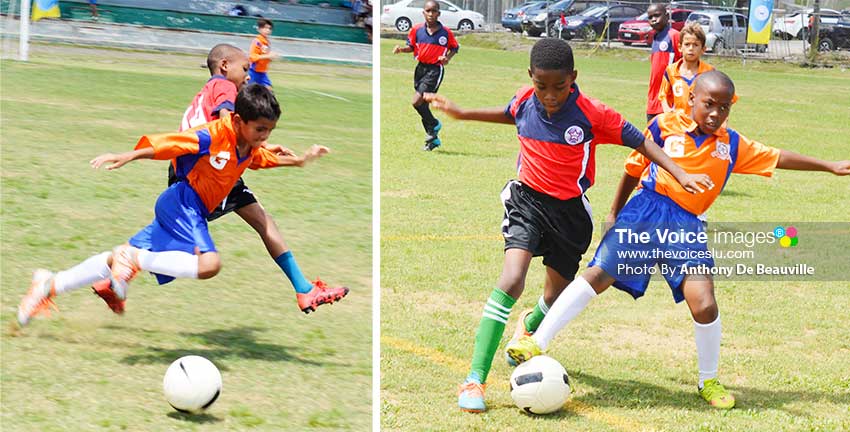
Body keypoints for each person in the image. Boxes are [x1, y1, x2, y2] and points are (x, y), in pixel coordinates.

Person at [505, 70, 850, 410]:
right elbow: (633, 168)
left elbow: (777, 156)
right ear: (692, 99)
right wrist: (614, 213)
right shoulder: (664, 126)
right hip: (646, 210)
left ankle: (708, 380)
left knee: (704, 303)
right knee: (597, 276)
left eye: (724, 107)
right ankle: (538, 341)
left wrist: (829, 165)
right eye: (709, 104)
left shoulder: (731, 144)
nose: (715, 113)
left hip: (686, 227)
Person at [424, 38, 713, 413]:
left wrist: (679, 172)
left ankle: (529, 326)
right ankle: (474, 379)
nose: (549, 96)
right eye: (541, 85)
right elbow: (510, 113)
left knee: (554, 295)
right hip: (527, 201)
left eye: (558, 87)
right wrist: (462, 113)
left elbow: (641, 141)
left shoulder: (593, 113)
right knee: (511, 279)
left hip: (571, 215)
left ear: (573, 78)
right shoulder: (525, 99)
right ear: (531, 77)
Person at [15, 85, 337, 328]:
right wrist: (129, 155)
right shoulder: (213, 135)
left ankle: (48, 284)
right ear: (238, 120)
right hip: (184, 203)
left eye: (270, 131)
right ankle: (134, 259)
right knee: (209, 264)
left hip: (186, 209)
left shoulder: (248, 145)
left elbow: (260, 159)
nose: (265, 137)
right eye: (260, 130)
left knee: (115, 259)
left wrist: (299, 161)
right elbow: (169, 143)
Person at [89, 44, 348, 316]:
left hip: (202, 166)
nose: (248, 76)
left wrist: (275, 152)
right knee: (237, 235)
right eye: (245, 68)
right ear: (225, 66)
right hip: (210, 170)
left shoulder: (209, 89)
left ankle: (103, 279)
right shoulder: (225, 87)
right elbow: (225, 123)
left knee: (168, 235)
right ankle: (304, 289)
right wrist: (256, 144)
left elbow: (236, 140)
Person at [392, 0, 459, 151]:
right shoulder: (416, 30)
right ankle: (433, 139)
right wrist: (401, 49)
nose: (430, 14)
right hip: (420, 69)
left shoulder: (446, 32)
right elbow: (411, 47)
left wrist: (447, 58)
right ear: (423, 13)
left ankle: (434, 124)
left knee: (416, 101)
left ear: (438, 14)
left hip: (435, 70)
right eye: (428, 11)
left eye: (434, 11)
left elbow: (455, 47)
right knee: (423, 105)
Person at [658, 22, 733, 115]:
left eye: (695, 45)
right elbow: (663, 95)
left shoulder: (710, 72)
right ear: (680, 47)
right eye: (687, 44)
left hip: (701, 122)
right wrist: (668, 112)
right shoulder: (671, 71)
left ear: (703, 49)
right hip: (679, 122)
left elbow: (726, 98)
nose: (691, 48)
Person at [646, 4, 681, 123]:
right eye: (650, 17)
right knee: (651, 133)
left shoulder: (674, 35)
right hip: (653, 99)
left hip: (668, 100)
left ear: (666, 16)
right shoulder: (655, 37)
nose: (653, 19)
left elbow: (684, 64)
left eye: (657, 15)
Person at [249, 19, 279, 89]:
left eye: (270, 28)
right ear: (259, 29)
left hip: (262, 71)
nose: (268, 30)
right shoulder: (257, 41)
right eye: (265, 28)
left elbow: (264, 57)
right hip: (253, 71)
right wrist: (268, 56)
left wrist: (270, 58)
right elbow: (252, 57)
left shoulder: (266, 42)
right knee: (249, 91)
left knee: (268, 90)